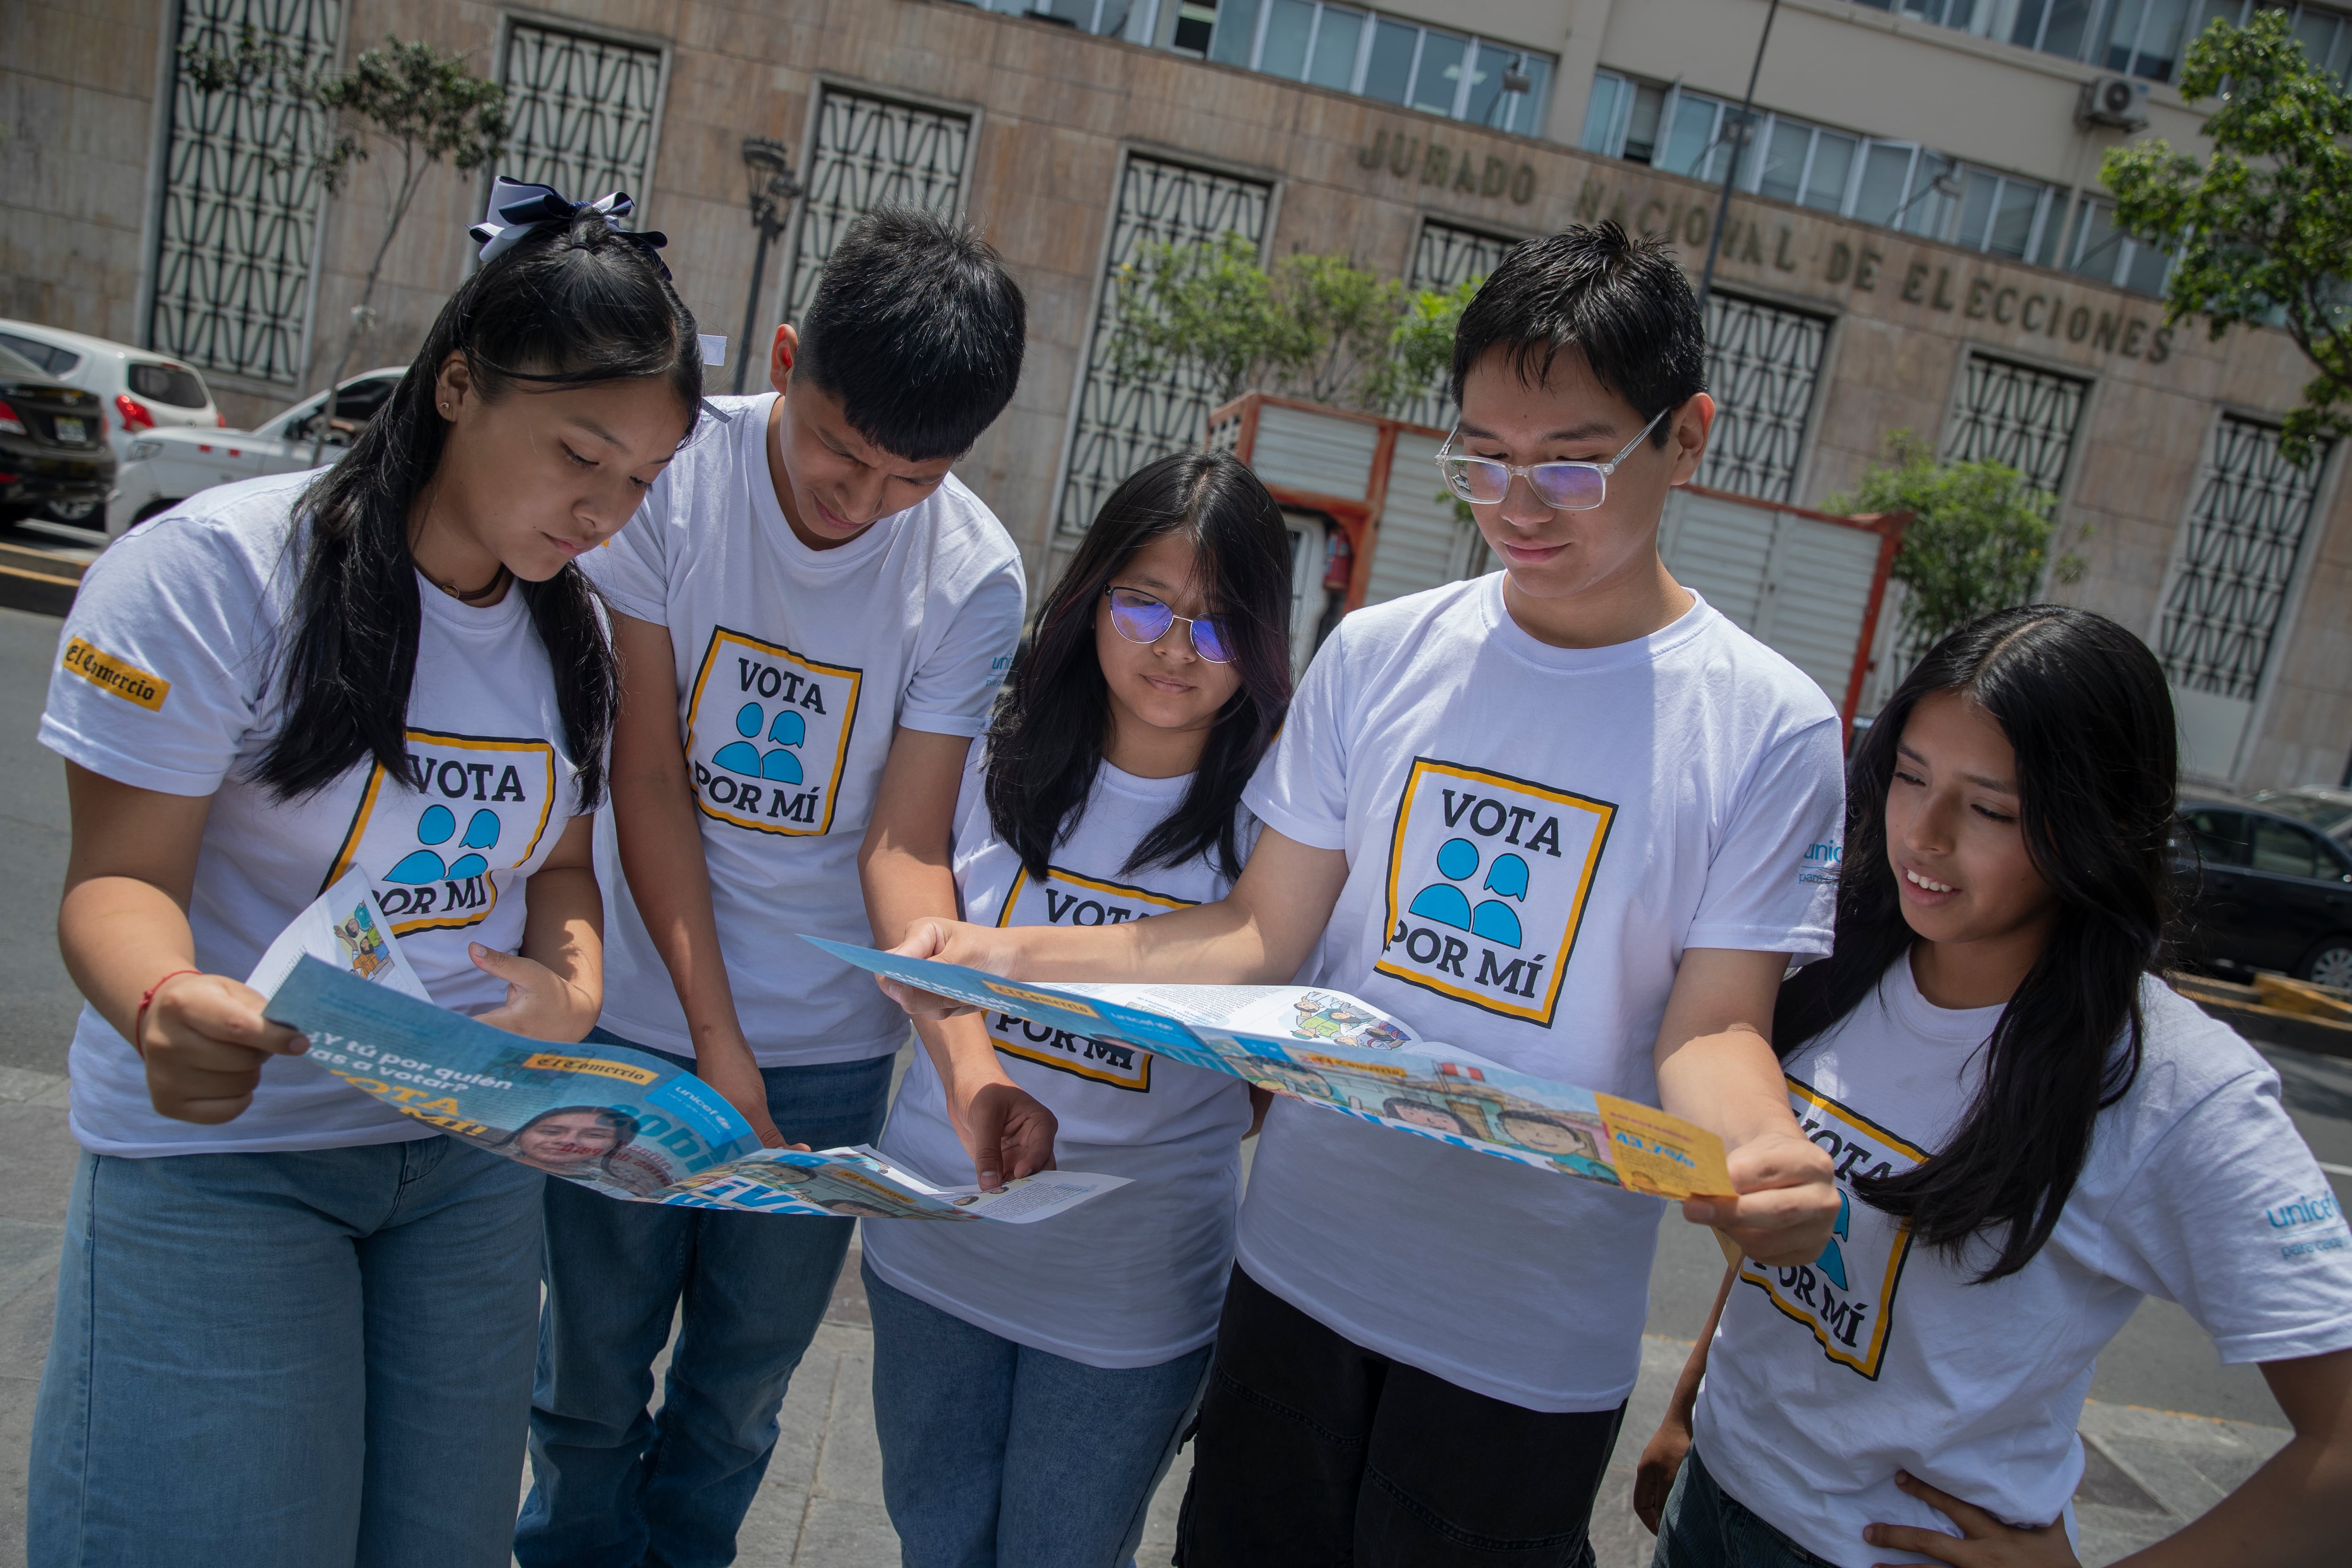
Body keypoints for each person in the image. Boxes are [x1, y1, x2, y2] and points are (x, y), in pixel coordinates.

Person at [880, 221, 1845, 1566]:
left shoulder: (1771, 726)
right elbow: (1261, 931)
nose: (1518, 502)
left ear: (1689, 436)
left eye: (1571, 459)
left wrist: (1760, 1156)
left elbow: (1713, 1024)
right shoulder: (1385, 655)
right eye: (1485, 455)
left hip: (1526, 1329)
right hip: (1300, 1280)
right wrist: (1005, 954)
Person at [28, 182, 700, 1568]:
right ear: (458, 383)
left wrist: (573, 983)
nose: (604, 511)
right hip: (233, 1154)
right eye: (582, 453)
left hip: (460, 1167)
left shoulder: (573, 639)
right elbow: (114, 878)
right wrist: (162, 998)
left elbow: (561, 865)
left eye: (640, 482)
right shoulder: (213, 576)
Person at [517, 205, 1057, 1568]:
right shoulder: (672, 483)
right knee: (585, 1386)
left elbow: (904, 849)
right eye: (840, 452)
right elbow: (647, 775)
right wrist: (711, 1039)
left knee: (737, 1399)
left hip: (822, 1067)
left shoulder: (973, 573)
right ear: (784, 353)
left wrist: (971, 1071)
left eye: (911, 477)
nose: (861, 501)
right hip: (639, 1022)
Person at [1635, 606, 2352, 1568]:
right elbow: (1782, 1212)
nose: (1923, 836)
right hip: (1716, 1502)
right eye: (1910, 777)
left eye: (1990, 809)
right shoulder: (1838, 963)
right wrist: (1686, 1412)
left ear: (2095, 826)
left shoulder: (2178, 1085)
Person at [860, 450, 1293, 1568]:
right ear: (1088, 595)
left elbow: (1269, 1073)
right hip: (936, 1245)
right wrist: (976, 1076)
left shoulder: (1285, 821)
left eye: (1217, 621)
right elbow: (917, 913)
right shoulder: (992, 756)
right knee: (937, 1542)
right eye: (1143, 601)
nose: (1172, 646)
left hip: (1129, 1294)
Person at [487, 1106, 667, 1195]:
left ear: (617, 1146)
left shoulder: (629, 1186)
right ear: (518, 1136)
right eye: (551, 1131)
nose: (568, 1141)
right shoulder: (489, 1172)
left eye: (595, 1135)